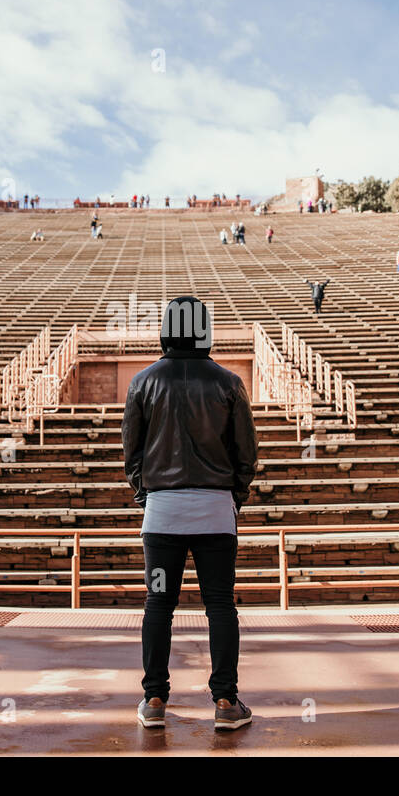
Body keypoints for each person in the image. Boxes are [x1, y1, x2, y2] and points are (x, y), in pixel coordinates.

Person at [123, 296, 257, 732]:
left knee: (158, 605)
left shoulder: (143, 382)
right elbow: (246, 453)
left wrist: (148, 494)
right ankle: (224, 701)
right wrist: (232, 497)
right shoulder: (228, 382)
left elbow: (132, 452)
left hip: (162, 516)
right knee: (219, 604)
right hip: (215, 513)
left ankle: (155, 699)